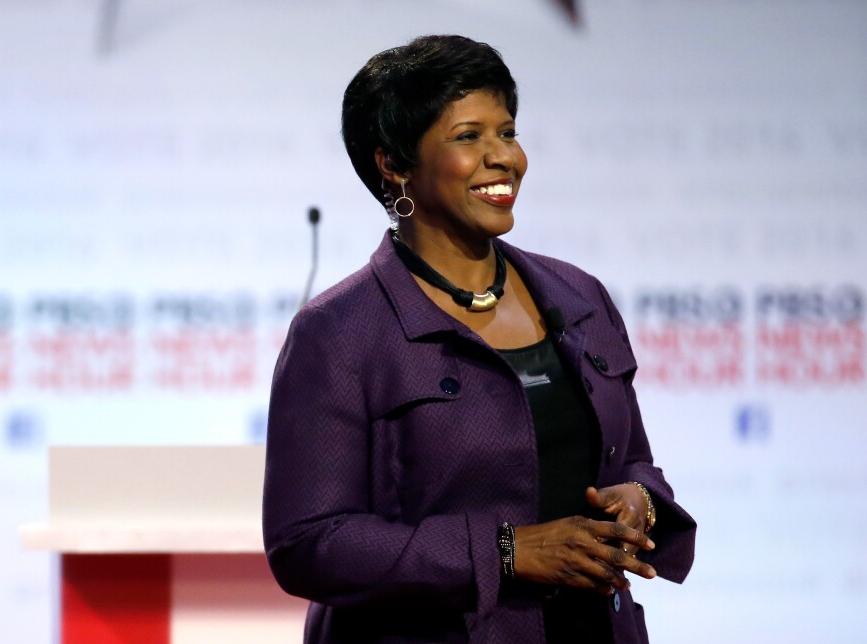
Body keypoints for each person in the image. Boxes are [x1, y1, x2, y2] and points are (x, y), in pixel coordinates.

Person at [263, 34, 696, 643]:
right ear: (393, 163)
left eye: (508, 132)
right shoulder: (338, 332)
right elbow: (308, 542)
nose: (505, 158)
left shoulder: (580, 297)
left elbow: (632, 461)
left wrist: (640, 502)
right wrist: (506, 552)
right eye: (469, 137)